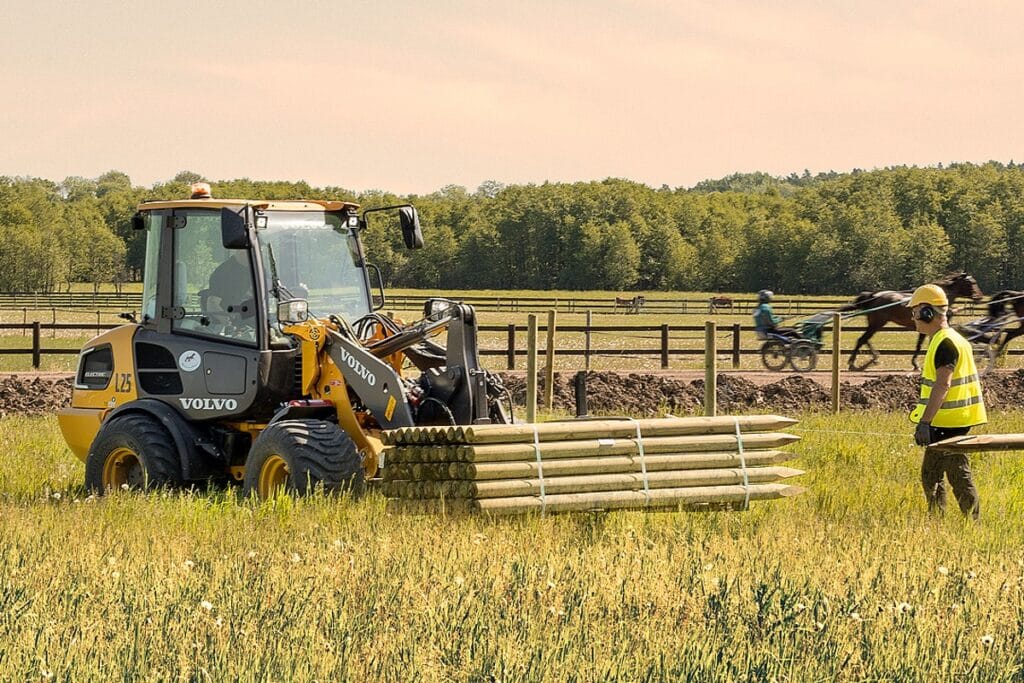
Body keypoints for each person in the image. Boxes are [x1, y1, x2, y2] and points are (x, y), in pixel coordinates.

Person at [907, 283, 987, 519]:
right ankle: (939, 520)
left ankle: (971, 521)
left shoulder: (945, 342)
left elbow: (943, 384)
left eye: (915, 312)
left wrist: (925, 422)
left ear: (927, 312)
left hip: (948, 421)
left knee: (956, 473)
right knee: (932, 474)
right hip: (950, 419)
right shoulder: (949, 338)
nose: (913, 317)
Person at [202, 249, 255, 338]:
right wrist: (228, 324)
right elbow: (212, 304)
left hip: (255, 324)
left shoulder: (257, 271)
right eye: (255, 251)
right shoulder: (223, 272)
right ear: (241, 251)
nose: (257, 255)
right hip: (231, 331)